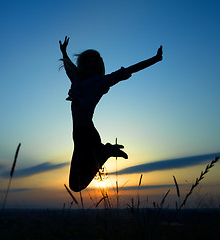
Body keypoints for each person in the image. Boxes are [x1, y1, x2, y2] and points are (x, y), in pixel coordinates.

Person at [59, 36, 163, 192]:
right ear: (83, 64)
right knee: (76, 183)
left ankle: (105, 153)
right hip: (79, 135)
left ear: (100, 67)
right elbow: (68, 67)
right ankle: (104, 153)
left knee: (76, 185)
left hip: (88, 135)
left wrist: (155, 59)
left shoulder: (102, 81)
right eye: (89, 61)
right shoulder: (77, 81)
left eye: (97, 62)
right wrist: (64, 51)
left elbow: (130, 70)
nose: (93, 64)